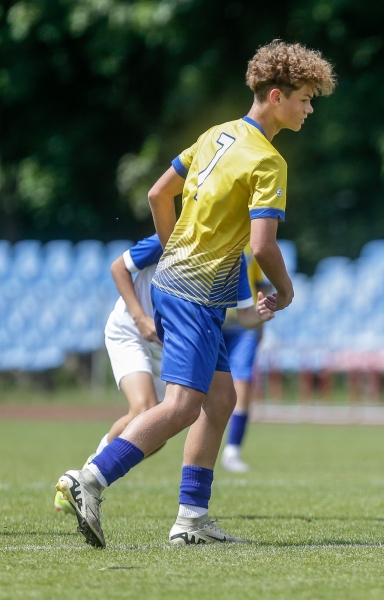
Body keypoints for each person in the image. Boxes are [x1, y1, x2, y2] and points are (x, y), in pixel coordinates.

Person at [55, 40, 335, 548]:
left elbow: (158, 193)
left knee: (221, 399)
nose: (310, 109)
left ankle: (191, 519)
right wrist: (286, 289)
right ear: (276, 96)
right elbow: (263, 244)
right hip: (194, 292)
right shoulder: (269, 162)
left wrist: (175, 245)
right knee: (183, 405)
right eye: (305, 99)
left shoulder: (215, 135)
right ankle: (89, 480)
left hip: (183, 285)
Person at [53, 235, 271, 514]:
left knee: (159, 431)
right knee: (144, 409)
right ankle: (85, 480)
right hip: (131, 331)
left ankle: (84, 480)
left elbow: (245, 316)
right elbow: (118, 267)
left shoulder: (234, 257)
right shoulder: (174, 234)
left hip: (167, 342)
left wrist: (262, 312)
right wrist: (140, 318)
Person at [220, 248, 269, 473]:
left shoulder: (255, 241)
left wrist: (261, 326)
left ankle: (232, 451)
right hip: (214, 320)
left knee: (243, 383)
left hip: (244, 326)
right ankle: (200, 451)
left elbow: (260, 284)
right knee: (206, 389)